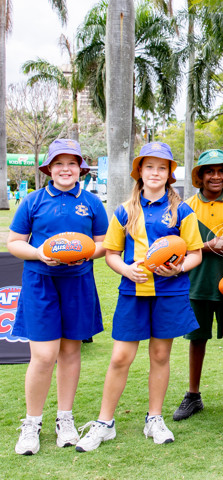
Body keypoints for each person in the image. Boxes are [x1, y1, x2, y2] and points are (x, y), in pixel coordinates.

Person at [75, 142, 203, 452]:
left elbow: (196, 254)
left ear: (169, 174)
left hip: (170, 292)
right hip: (133, 292)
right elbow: (112, 254)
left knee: (160, 356)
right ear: (140, 172)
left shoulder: (182, 210)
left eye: (162, 168)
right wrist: (126, 271)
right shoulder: (124, 210)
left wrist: (177, 269)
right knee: (121, 357)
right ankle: (105, 423)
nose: (155, 173)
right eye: (149, 167)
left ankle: (154, 419)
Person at [8, 139, 108, 455]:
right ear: (49, 169)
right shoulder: (32, 201)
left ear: (81, 168)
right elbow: (14, 242)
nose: (66, 169)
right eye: (59, 164)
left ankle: (65, 419)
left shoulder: (91, 202)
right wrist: (38, 253)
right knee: (43, 356)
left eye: (72, 163)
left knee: (70, 353)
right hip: (40, 284)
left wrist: (87, 254)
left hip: (78, 284)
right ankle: (32, 424)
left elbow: (103, 242)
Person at [173, 149, 223, 421]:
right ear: (200, 176)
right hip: (196, 285)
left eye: (221, 171)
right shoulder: (185, 208)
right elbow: (176, 249)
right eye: (209, 171)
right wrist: (207, 246)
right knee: (197, 340)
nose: (216, 176)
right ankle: (193, 395)